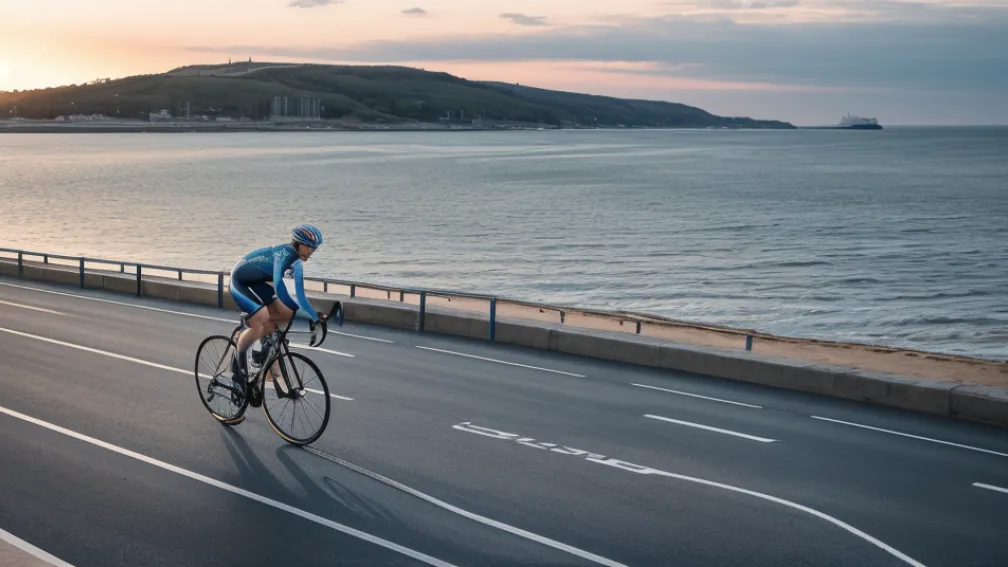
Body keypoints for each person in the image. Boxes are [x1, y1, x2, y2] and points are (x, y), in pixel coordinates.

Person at [228, 224, 326, 394]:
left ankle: (262, 350)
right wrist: (303, 312)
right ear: (299, 244)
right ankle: (238, 369)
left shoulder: (297, 263)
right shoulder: (284, 256)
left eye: (314, 249)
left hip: (257, 283)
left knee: (286, 313)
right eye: (309, 247)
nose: (311, 252)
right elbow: (280, 288)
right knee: (262, 317)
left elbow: (300, 296)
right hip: (240, 281)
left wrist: (314, 316)